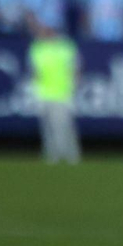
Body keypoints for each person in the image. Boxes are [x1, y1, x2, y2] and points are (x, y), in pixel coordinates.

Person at [28, 22, 80, 164]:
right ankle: (52, 156)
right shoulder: (37, 48)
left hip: (62, 92)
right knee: (47, 127)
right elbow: (34, 71)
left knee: (63, 126)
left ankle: (69, 156)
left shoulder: (65, 47)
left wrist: (73, 86)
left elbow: (75, 68)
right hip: (44, 92)